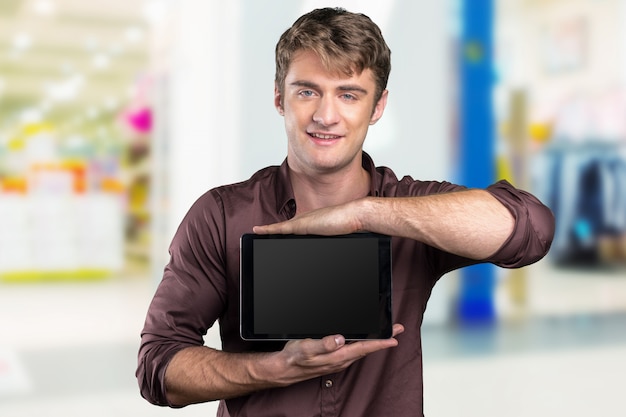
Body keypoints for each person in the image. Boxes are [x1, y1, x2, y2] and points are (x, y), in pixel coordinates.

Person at [137, 7, 555, 416]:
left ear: (377, 107)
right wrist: (275, 368)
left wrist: (365, 215)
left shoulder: (410, 205)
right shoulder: (221, 216)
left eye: (349, 94)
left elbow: (531, 229)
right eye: (307, 91)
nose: (325, 115)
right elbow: (158, 366)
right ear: (280, 97)